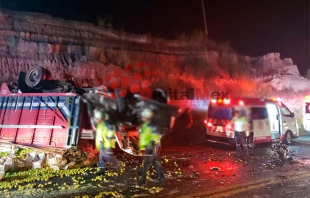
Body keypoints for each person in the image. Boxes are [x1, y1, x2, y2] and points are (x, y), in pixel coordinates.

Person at [137, 108, 165, 185]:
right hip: (148, 145)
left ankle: (143, 179)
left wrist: (150, 146)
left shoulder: (152, 125)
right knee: (154, 161)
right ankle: (161, 177)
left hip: (151, 145)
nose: (142, 118)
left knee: (147, 162)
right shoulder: (146, 125)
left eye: (143, 116)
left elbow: (154, 136)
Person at [93, 109, 119, 175]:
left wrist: (109, 145)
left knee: (108, 156)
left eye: (97, 118)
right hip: (101, 143)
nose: (96, 120)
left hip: (106, 144)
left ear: (101, 118)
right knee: (101, 157)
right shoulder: (100, 125)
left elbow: (111, 135)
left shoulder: (107, 124)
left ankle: (117, 165)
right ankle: (101, 170)